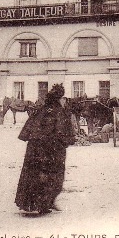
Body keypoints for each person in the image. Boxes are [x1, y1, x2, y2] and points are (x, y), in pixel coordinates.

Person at [15, 84, 75, 214]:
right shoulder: (59, 111)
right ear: (59, 97)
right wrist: (65, 141)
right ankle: (45, 203)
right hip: (51, 149)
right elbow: (62, 131)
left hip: (35, 149)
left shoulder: (41, 109)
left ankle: (35, 204)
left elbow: (30, 128)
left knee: (34, 174)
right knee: (52, 175)